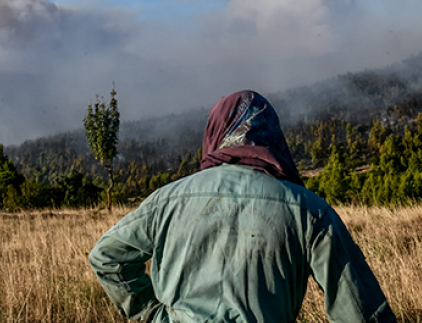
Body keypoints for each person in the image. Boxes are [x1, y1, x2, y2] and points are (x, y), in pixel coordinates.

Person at [89, 90, 397, 323]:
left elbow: (107, 256)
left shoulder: (167, 200)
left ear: (215, 134)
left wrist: (154, 315)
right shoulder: (309, 210)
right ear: (273, 137)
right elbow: (362, 311)